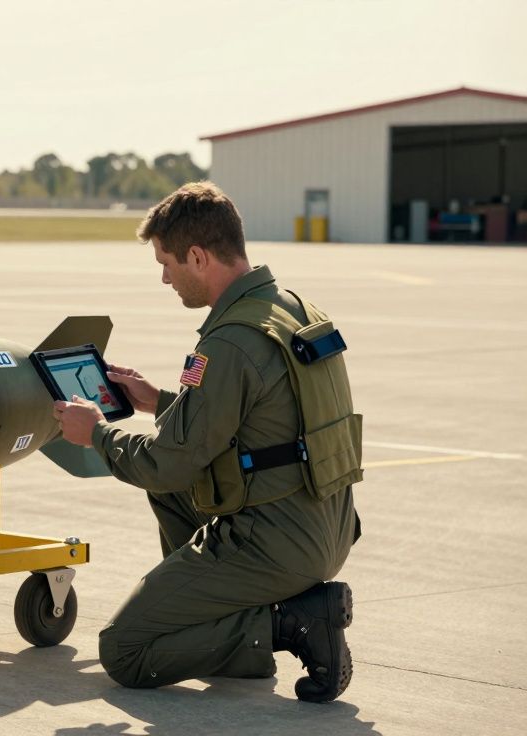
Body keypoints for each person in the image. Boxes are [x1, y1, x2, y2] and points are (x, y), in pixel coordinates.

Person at [54, 181, 363, 703]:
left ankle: (289, 624)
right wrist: (157, 401)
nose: (164, 278)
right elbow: (262, 426)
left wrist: (97, 434)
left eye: (166, 263)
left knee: (126, 650)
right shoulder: (291, 310)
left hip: (277, 542)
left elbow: (165, 464)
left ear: (197, 257)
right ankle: (241, 623)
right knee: (174, 496)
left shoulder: (229, 343)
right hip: (325, 527)